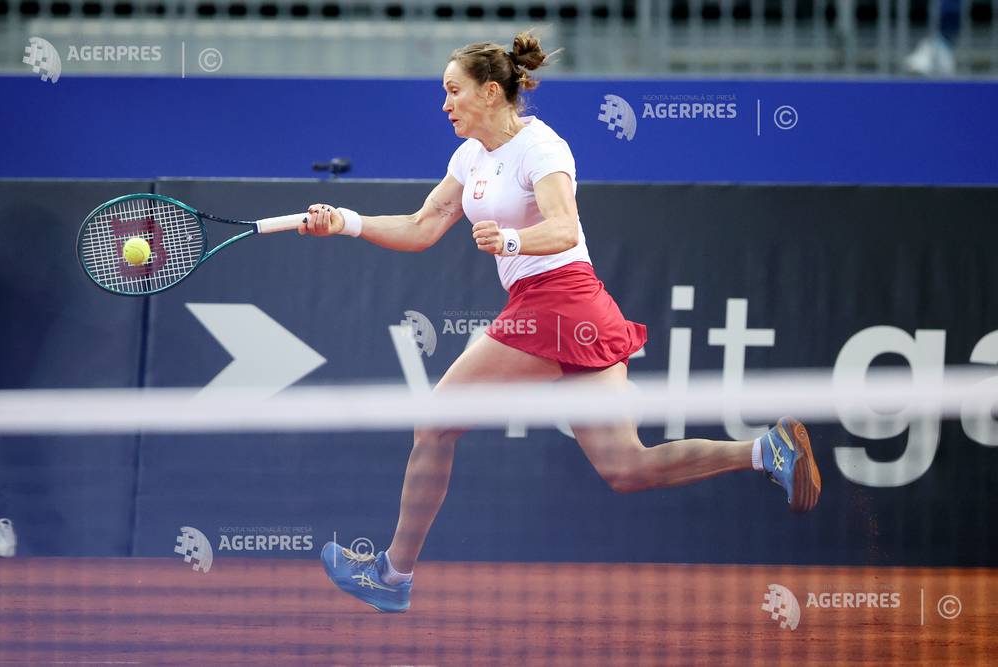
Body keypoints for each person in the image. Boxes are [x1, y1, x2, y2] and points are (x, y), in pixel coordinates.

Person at [300, 32, 822, 613]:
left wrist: (512, 239)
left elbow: (565, 228)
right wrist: (346, 221)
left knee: (434, 424)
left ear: (490, 92)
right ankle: (764, 451)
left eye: (453, 91)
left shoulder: (542, 148)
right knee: (626, 467)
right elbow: (422, 226)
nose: (444, 104)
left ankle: (392, 575)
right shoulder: (469, 156)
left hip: (557, 300)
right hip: (574, 309)